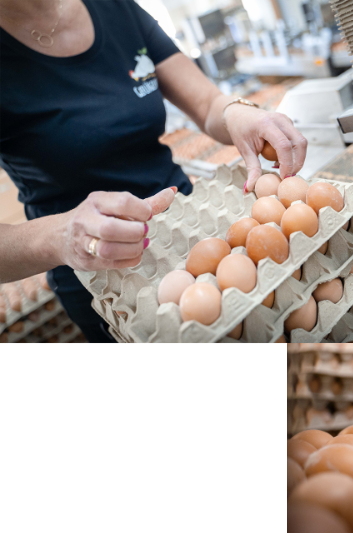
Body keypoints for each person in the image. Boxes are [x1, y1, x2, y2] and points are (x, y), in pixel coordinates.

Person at [0, 0, 307, 343]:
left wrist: (239, 113)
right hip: (99, 271)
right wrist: (60, 235)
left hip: (189, 228)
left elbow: (207, 104)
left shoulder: (115, 8)